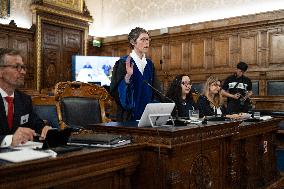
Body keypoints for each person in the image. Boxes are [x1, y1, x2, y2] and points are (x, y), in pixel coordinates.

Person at [0, 48, 51, 147]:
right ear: (1, 71)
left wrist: (44, 129)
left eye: (23, 67)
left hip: (22, 158)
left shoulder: (24, 99)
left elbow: (35, 123)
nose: (23, 72)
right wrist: (9, 139)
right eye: (17, 67)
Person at [110, 27, 161, 121]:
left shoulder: (149, 64)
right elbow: (115, 91)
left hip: (148, 115)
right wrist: (127, 77)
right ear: (133, 42)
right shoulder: (123, 62)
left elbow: (156, 90)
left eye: (148, 39)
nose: (146, 42)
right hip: (129, 115)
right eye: (142, 39)